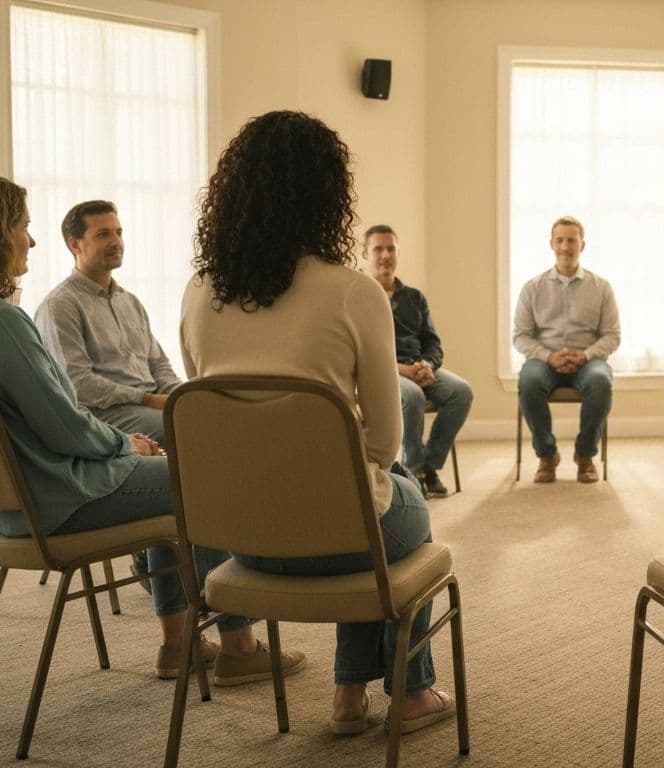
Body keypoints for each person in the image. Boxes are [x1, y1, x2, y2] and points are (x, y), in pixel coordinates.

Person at [0, 172, 298, 685]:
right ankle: (237, 645)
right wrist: (124, 445)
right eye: (22, 226)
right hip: (53, 499)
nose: (31, 239)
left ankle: (180, 645)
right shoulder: (2, 323)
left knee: (170, 475)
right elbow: (65, 426)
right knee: (201, 478)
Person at [180, 110, 454, 735]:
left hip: (238, 535)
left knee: (368, 494)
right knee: (394, 498)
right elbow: (385, 443)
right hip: (338, 535)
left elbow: (208, 418)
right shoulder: (355, 293)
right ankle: (398, 693)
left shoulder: (198, 291)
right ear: (328, 196)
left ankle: (351, 699)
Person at [35, 201, 181, 444]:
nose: (116, 242)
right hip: (103, 415)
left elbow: (160, 367)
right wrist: (146, 399)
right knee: (191, 428)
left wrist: (186, 396)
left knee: (214, 415)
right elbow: (78, 384)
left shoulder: (130, 301)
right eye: (103, 234)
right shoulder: (60, 305)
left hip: (149, 404)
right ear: (75, 244)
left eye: (119, 232)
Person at [362, 224, 473, 499]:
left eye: (391, 249)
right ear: (366, 253)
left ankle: (429, 466)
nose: (385, 255)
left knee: (461, 392)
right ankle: (412, 472)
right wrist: (402, 370)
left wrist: (427, 365)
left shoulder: (414, 297)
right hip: (385, 372)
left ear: (398, 253)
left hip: (418, 366)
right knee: (412, 398)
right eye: (378, 249)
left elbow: (432, 341)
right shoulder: (360, 296)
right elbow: (363, 351)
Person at [513, 215, 621, 483]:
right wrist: (549, 356)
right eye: (559, 240)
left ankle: (585, 455)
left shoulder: (601, 288)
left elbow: (612, 335)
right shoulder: (532, 288)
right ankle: (547, 455)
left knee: (600, 381)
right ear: (551, 244)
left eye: (571, 240)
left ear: (582, 244)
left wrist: (585, 355)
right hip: (545, 360)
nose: (565, 246)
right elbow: (521, 336)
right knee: (529, 381)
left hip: (588, 360)